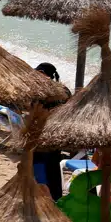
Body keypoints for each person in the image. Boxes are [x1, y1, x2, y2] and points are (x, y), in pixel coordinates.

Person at [30, 62, 73, 200]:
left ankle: (43, 196)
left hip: (43, 134)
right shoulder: (64, 91)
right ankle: (54, 197)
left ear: (43, 74)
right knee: (52, 166)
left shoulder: (44, 92)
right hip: (56, 135)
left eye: (38, 73)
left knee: (41, 164)